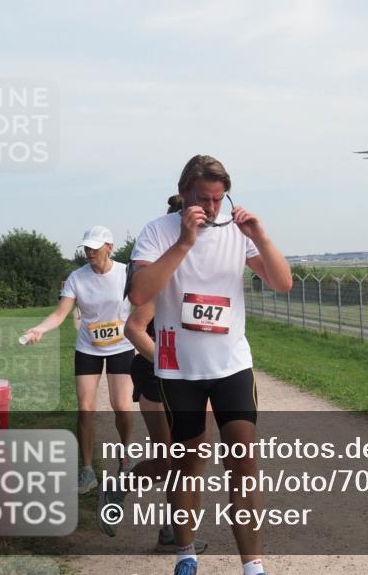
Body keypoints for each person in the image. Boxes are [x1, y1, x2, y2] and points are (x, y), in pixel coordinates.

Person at [128, 155, 292, 575]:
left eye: (218, 199)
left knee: (243, 460)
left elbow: (282, 283)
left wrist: (261, 236)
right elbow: (139, 295)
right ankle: (185, 555)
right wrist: (184, 242)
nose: (212, 207)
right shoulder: (157, 232)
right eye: (203, 198)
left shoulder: (238, 233)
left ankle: (253, 566)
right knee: (188, 463)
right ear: (183, 194)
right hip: (180, 370)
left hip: (231, 365)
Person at [98, 195, 209, 555]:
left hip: (197, 373)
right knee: (171, 460)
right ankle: (121, 486)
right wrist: (170, 365)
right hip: (158, 373)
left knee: (193, 459)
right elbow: (134, 328)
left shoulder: (205, 271)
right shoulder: (160, 274)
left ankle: (171, 531)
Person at [23, 226, 136, 494]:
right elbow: (61, 313)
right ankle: (87, 471)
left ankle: (126, 458)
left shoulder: (127, 273)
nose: (89, 253)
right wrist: (39, 328)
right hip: (89, 347)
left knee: (121, 406)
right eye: (86, 248)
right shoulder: (77, 277)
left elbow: (144, 303)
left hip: (121, 346)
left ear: (109, 247)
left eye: (95, 248)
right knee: (85, 409)